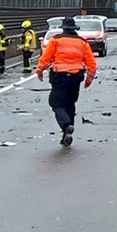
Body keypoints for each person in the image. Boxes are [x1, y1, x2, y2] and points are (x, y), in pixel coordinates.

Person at [35, 16, 97, 147]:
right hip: (76, 77)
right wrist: (89, 79)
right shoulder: (82, 42)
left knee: (56, 103)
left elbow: (45, 58)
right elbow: (91, 63)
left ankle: (67, 125)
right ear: (74, 29)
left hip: (59, 76)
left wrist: (39, 71)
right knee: (70, 104)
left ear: (63, 28)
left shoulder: (56, 40)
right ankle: (66, 134)